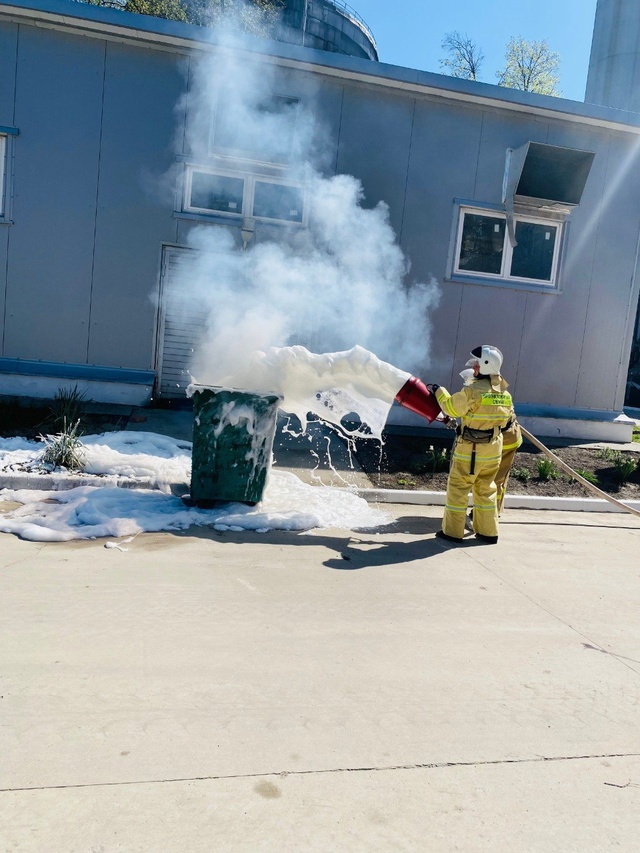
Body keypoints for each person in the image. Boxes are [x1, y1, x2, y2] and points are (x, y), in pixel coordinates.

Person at [430, 345, 516, 544]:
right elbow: (506, 420)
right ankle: (488, 533)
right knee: (486, 489)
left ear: (486, 366)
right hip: (493, 450)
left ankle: (452, 533)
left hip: (471, 451)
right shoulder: (504, 391)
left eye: (477, 365)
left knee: (459, 488)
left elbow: (451, 408)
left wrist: (438, 391)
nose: (474, 369)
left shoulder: (473, 391)